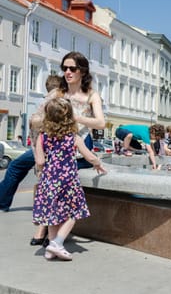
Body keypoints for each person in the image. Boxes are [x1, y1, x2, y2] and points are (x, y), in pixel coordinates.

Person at [0, 51, 105, 213]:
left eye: (72, 68)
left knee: (55, 171)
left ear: (82, 71)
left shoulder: (91, 95)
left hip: (77, 143)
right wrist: (38, 144)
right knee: (15, 166)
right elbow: (35, 119)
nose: (67, 72)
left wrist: (74, 117)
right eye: (65, 68)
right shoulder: (57, 93)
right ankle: (2, 203)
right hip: (52, 141)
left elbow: (100, 123)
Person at [33, 98, 106, 261]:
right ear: (69, 117)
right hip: (68, 181)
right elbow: (89, 157)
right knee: (73, 213)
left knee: (52, 215)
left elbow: (40, 161)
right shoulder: (73, 137)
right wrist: (98, 164)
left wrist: (41, 171)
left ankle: (50, 250)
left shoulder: (42, 137)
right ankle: (58, 242)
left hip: (49, 180)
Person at [29, 75, 63, 246]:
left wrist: (37, 153)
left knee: (45, 192)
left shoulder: (43, 101)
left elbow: (33, 124)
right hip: (56, 151)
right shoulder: (60, 98)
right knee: (54, 194)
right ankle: (49, 234)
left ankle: (42, 231)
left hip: (41, 147)